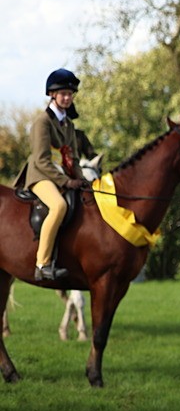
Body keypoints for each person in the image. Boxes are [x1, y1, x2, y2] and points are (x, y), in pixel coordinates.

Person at [19, 69, 90, 281]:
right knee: (59, 206)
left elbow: (74, 158)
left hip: (62, 175)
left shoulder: (69, 124)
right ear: (52, 94)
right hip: (41, 176)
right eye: (63, 94)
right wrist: (66, 181)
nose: (67, 98)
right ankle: (42, 264)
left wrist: (81, 179)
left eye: (70, 94)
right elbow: (41, 160)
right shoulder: (42, 122)